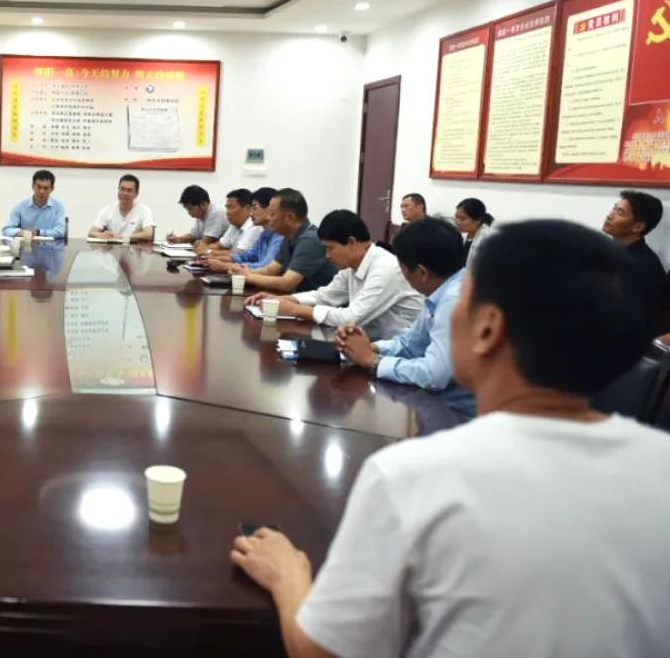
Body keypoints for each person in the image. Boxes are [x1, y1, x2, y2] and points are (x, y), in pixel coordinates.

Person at [231, 220, 670, 658]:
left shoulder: (413, 476)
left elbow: (319, 652)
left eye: (465, 300)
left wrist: (287, 575)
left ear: (487, 329)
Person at [334, 216, 476, 417]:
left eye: (401, 268)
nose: (402, 275)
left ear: (422, 272)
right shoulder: (443, 290)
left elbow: (434, 375)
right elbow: (411, 343)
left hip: (463, 417)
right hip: (441, 406)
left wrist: (372, 360)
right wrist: (369, 347)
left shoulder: (454, 301)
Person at [249, 210, 423, 340]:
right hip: (369, 343)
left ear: (351, 242)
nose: (327, 256)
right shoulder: (352, 266)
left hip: (399, 352)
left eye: (330, 248)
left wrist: (294, 309)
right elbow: (324, 296)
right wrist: (282, 300)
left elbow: (351, 318)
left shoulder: (385, 268)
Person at [230, 189, 336, 294]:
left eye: (272, 214)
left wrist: (248, 277)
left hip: (318, 302)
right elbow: (271, 270)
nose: (268, 217)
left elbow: (287, 283)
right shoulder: (288, 236)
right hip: (297, 297)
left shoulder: (309, 240)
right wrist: (244, 272)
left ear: (289, 217)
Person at [603, 189, 666, 337]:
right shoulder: (607, 250)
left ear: (637, 227)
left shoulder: (642, 266)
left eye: (620, 213)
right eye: (614, 208)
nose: (609, 215)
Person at [203, 187, 283, 271]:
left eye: (255, 208)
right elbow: (245, 256)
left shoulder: (280, 237)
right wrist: (216, 259)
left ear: (269, 209)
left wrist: (224, 266)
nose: (251, 213)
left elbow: (266, 267)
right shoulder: (264, 234)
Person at [89, 174, 155, 241]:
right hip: (112, 247)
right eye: (122, 189)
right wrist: (101, 235)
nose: (125, 193)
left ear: (136, 194)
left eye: (129, 190)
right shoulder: (107, 209)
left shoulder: (144, 210)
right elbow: (92, 232)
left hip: (134, 247)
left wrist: (123, 237)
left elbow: (149, 234)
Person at [2, 169, 66, 239]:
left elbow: (61, 231)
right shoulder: (21, 206)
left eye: (46, 188)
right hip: (27, 244)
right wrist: (21, 232)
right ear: (33, 186)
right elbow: (6, 229)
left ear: (52, 189)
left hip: (52, 245)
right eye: (39, 187)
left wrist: (38, 232)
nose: (41, 191)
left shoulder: (58, 207)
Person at [202, 188, 261, 258]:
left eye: (231, 208)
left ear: (247, 208)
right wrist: (203, 247)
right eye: (227, 208)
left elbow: (238, 253)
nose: (227, 212)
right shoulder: (235, 225)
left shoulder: (255, 226)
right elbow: (219, 245)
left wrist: (207, 251)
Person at [455, 197, 494, 267]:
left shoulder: (487, 240)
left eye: (462, 219)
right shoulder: (462, 236)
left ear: (478, 220)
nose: (457, 222)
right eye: (456, 217)